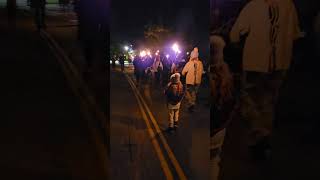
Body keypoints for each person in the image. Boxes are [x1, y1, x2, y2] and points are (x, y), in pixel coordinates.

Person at [230, 0, 302, 159]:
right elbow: (295, 34)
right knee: (269, 100)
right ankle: (264, 137)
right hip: (280, 62)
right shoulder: (289, 6)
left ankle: (258, 137)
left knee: (250, 99)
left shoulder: (254, 5)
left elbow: (234, 35)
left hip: (255, 62)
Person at [210, 35, 235, 180]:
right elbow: (231, 102)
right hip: (219, 128)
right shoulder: (227, 75)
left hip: (211, 127)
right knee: (213, 161)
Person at [182, 47, 204, 113]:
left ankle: (191, 103)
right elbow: (202, 72)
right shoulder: (200, 63)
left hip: (189, 81)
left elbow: (183, 72)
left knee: (188, 92)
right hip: (197, 81)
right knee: (194, 93)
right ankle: (192, 104)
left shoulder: (189, 63)